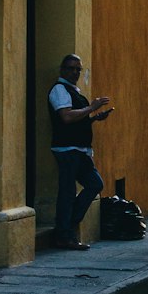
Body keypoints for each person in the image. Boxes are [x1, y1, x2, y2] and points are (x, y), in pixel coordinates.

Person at [48, 54, 113, 251]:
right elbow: (66, 117)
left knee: (95, 184)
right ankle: (64, 233)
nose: (75, 72)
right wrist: (91, 108)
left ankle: (67, 226)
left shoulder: (72, 91)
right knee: (68, 192)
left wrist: (93, 118)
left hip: (80, 150)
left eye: (78, 69)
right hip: (67, 149)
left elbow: (76, 117)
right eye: (71, 68)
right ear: (62, 70)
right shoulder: (59, 90)